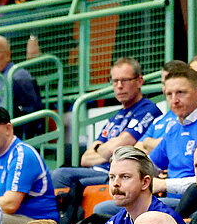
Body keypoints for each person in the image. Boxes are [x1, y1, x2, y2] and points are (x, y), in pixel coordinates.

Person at [51, 60, 163, 214]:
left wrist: (101, 148)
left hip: (115, 173)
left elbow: (122, 145)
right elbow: (85, 158)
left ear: (139, 81)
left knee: (60, 175)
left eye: (125, 80)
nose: (119, 86)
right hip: (98, 171)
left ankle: (58, 219)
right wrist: (105, 149)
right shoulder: (116, 117)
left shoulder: (147, 109)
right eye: (115, 81)